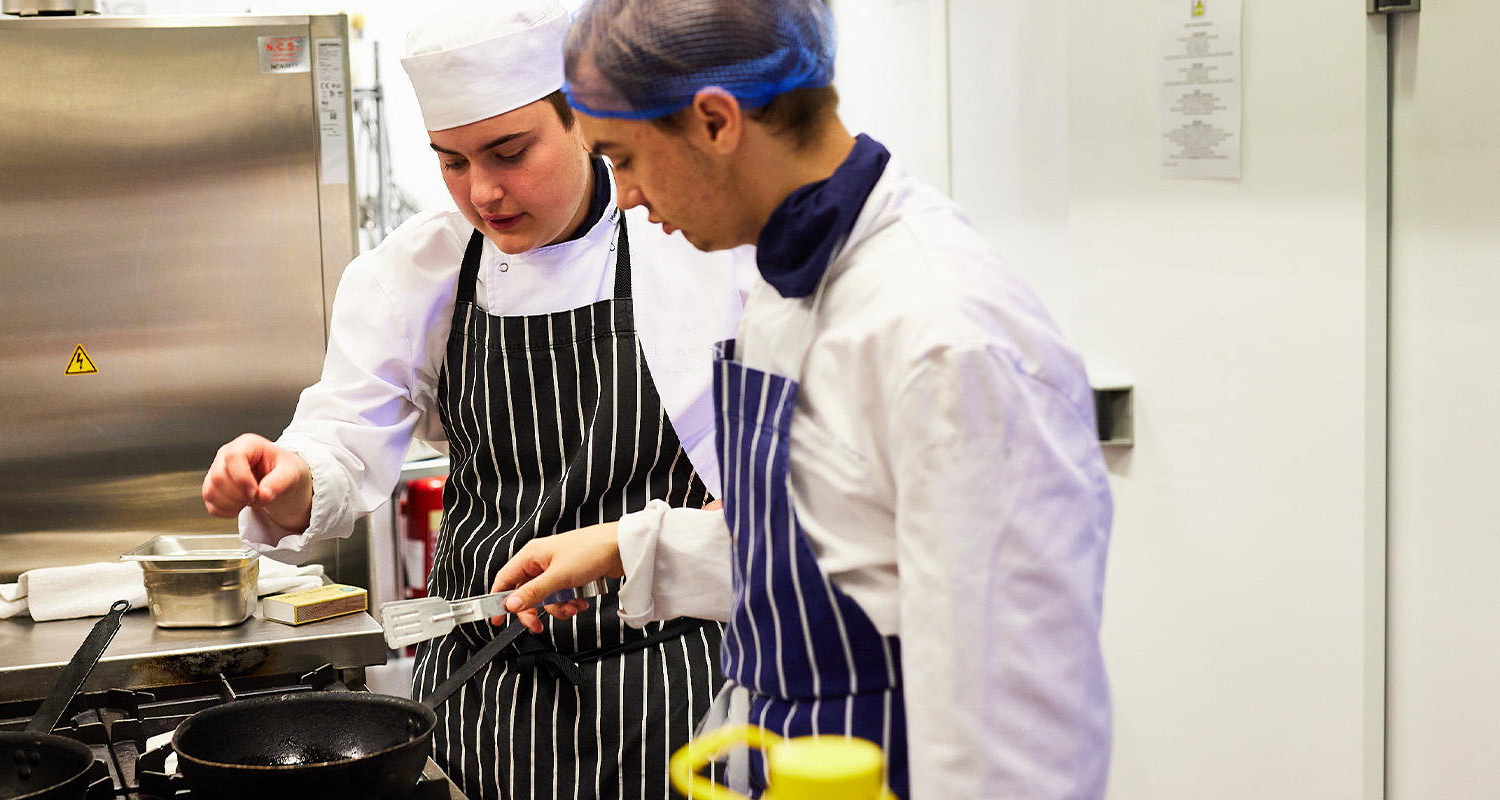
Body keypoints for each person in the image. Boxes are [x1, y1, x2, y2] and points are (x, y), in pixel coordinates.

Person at [491, 0, 1115, 797]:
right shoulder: (788, 280)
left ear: (716, 121)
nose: (629, 198)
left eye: (625, 159)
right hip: (784, 760)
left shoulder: (947, 338)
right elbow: (833, 550)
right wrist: (632, 546)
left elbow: (1019, 721)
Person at [198, 1, 756, 797]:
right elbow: (343, 444)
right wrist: (288, 480)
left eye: (509, 151)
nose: (484, 192)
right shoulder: (417, 271)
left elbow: (780, 484)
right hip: (490, 693)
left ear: (582, 121)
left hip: (673, 688)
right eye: (451, 162)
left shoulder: (694, 243)